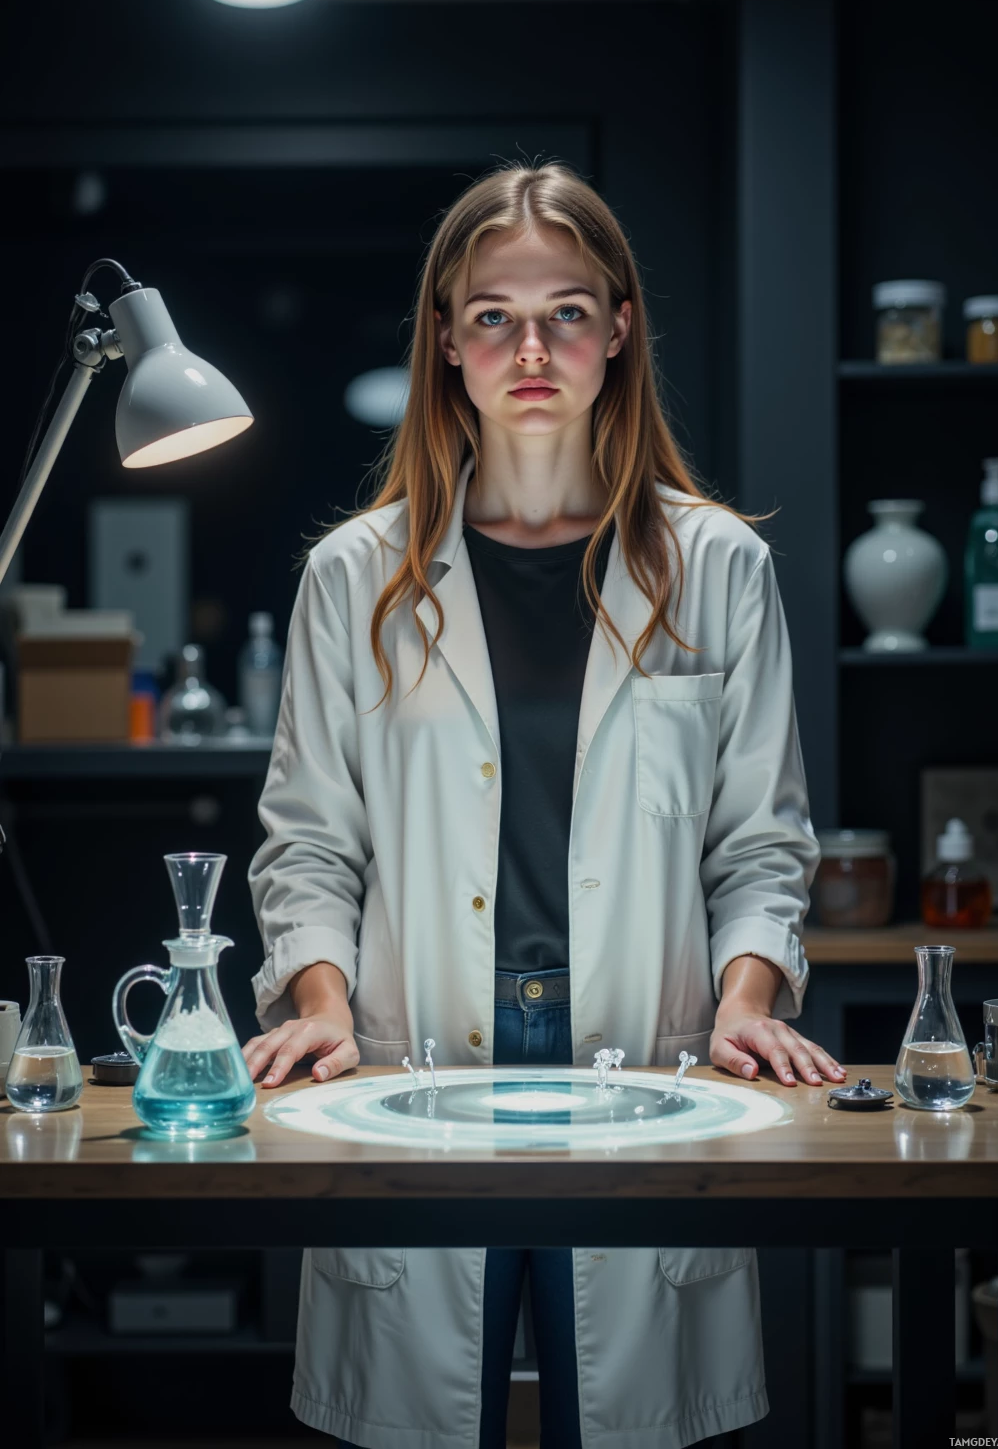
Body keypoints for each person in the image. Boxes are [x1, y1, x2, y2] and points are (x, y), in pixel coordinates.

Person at [243, 160, 846, 1449]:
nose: (532, 347)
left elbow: (761, 845)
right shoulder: (354, 578)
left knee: (628, 1415)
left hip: (646, 1056)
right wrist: (323, 1011)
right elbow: (308, 844)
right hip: (412, 1062)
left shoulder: (718, 568)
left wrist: (746, 1009)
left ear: (619, 331)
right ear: (446, 341)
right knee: (419, 1413)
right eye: (495, 316)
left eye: (567, 311)